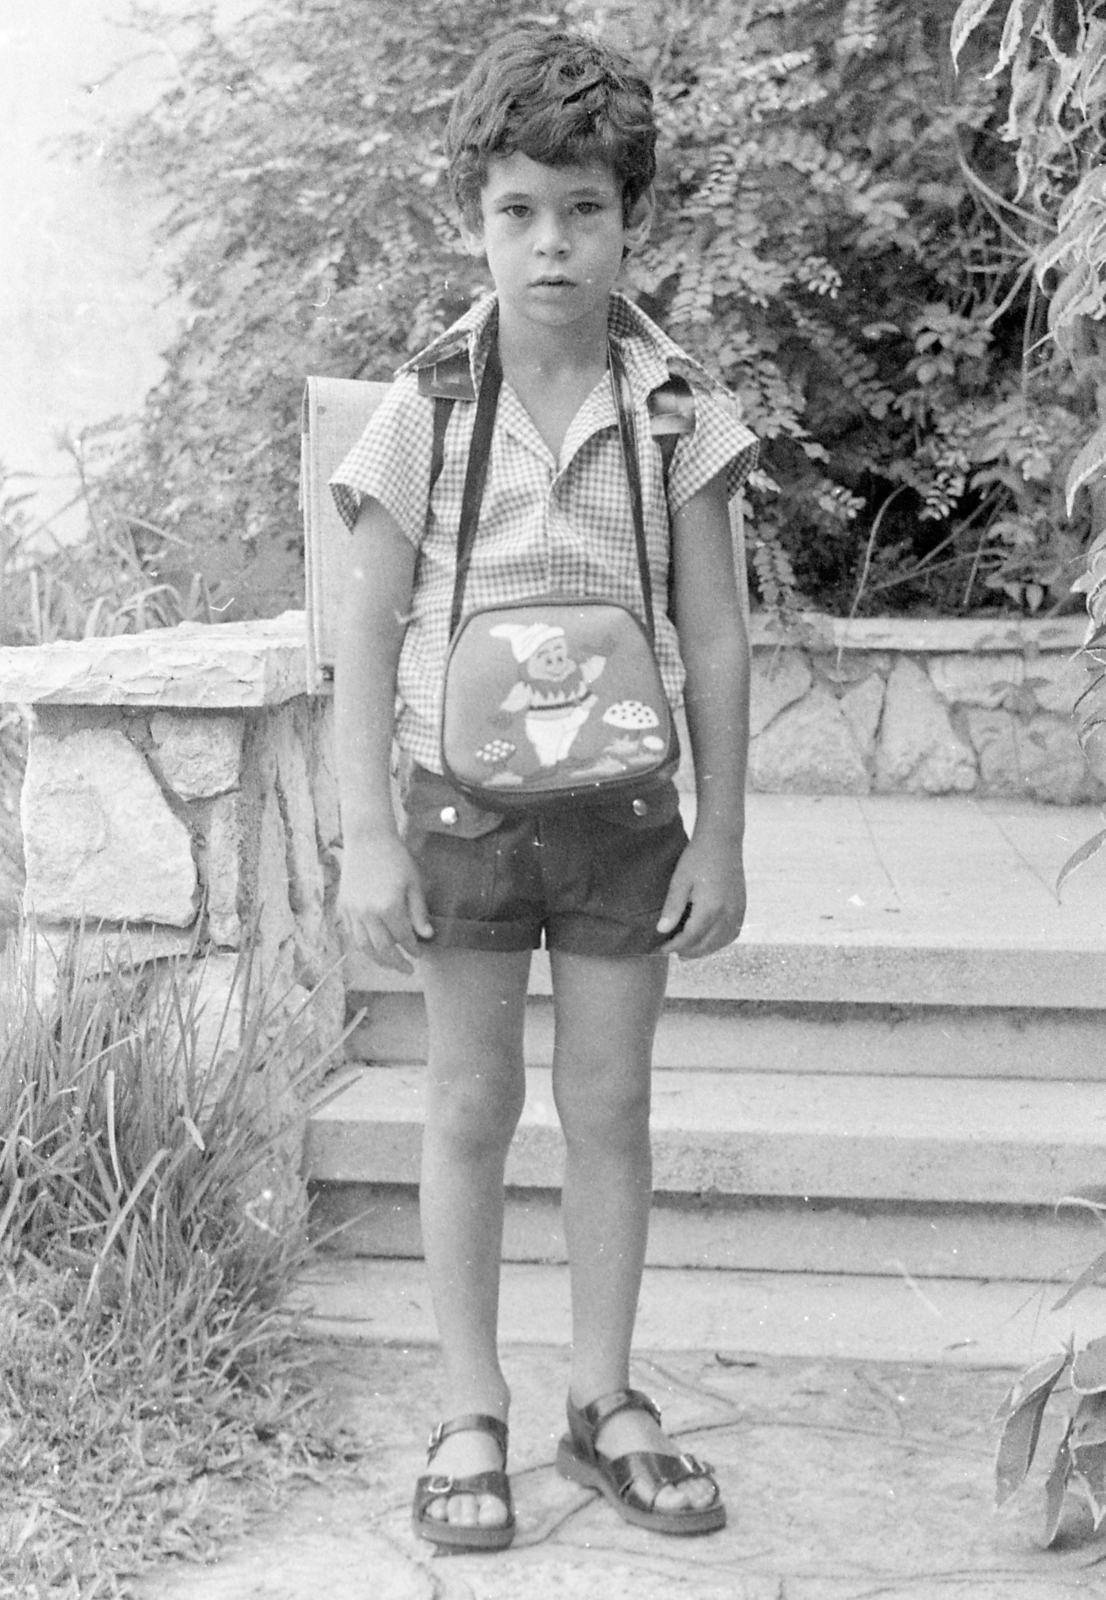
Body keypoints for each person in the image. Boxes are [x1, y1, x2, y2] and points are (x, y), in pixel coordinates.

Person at [331, 23, 757, 1552]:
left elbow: (712, 628)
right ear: (475, 220)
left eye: (582, 209)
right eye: (518, 211)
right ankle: (468, 1408)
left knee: (610, 1104)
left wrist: (723, 832)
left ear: (629, 217)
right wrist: (365, 835)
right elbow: (362, 635)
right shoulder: (425, 408)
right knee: (464, 1103)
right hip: (459, 815)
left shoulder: (675, 409)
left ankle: (599, 1398)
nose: (552, 243)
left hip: (624, 820)